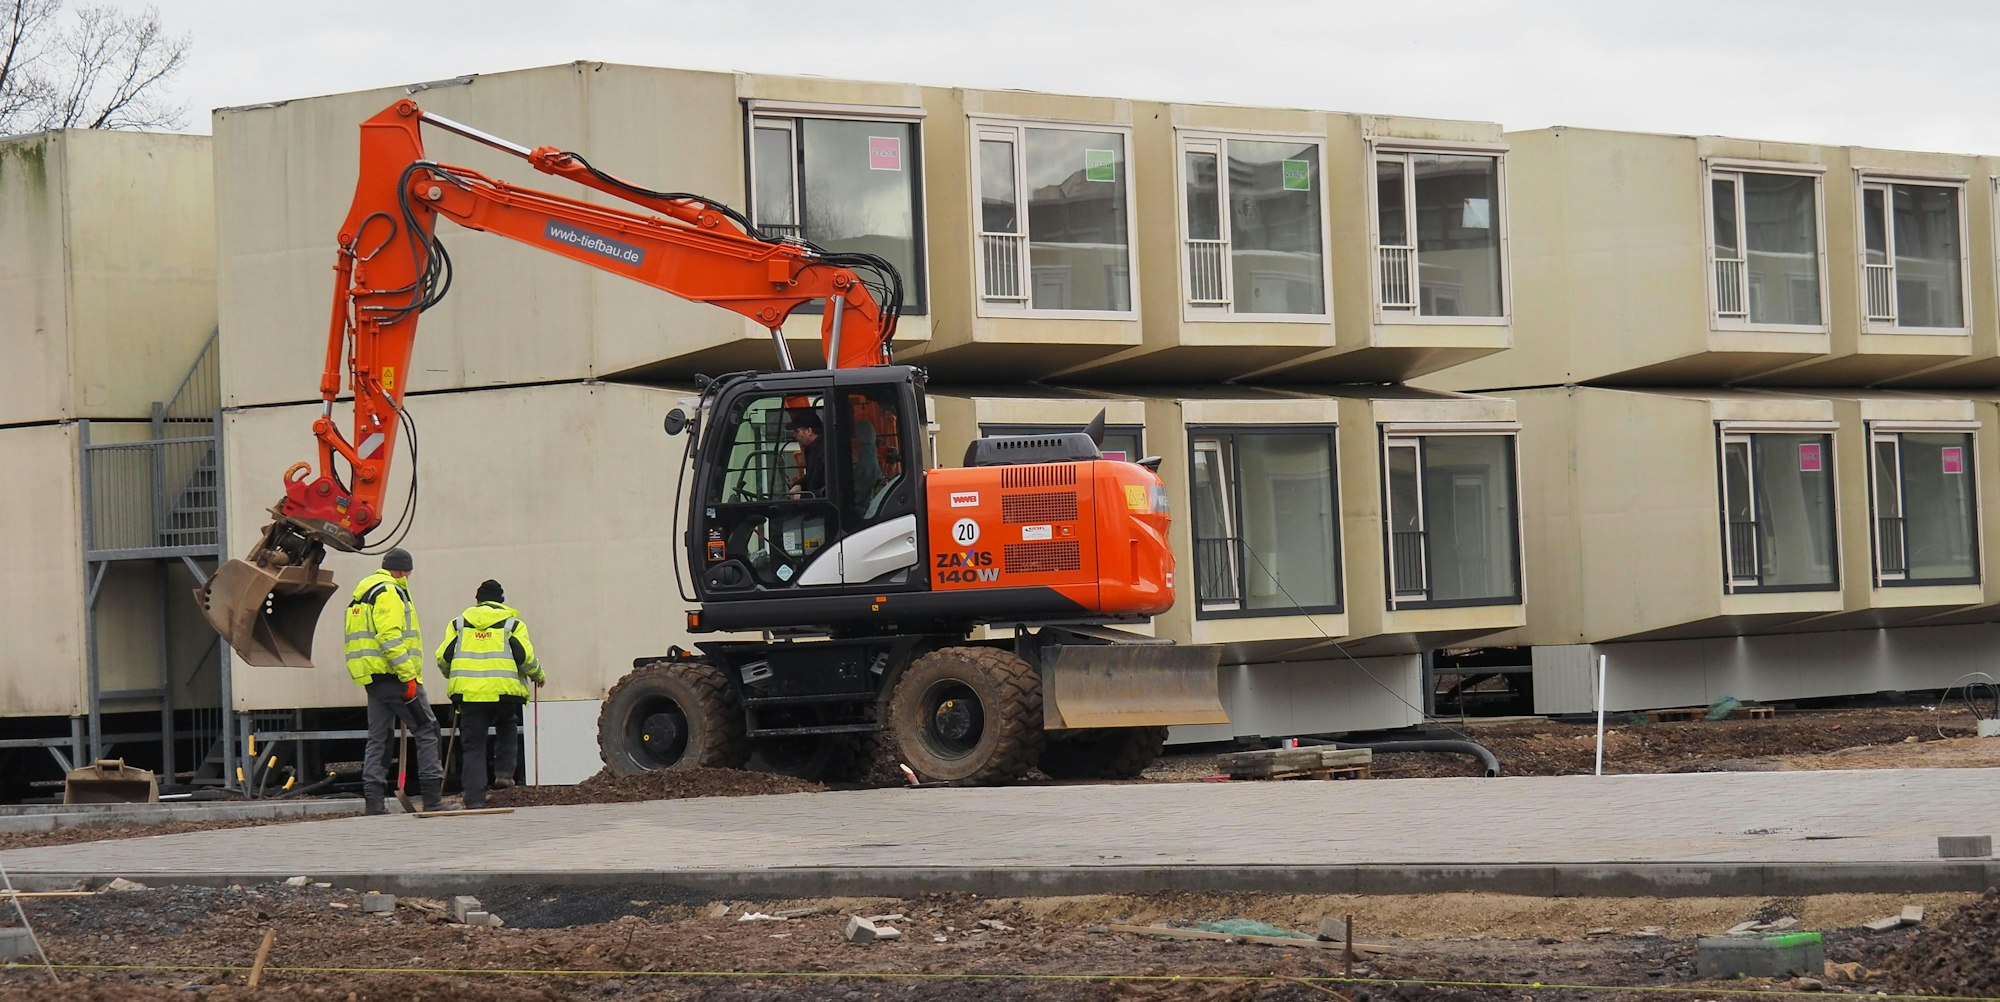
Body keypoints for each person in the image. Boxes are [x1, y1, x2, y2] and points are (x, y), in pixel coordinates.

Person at [344, 548, 451, 815]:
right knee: (427, 729)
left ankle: (374, 802)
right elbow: (389, 638)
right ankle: (432, 799)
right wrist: (409, 676)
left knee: (378, 737)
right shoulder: (389, 592)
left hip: (374, 678)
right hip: (396, 677)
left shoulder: (362, 594)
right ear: (403, 570)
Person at [434, 579, 544, 810]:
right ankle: (504, 776)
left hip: (470, 695)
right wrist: (538, 675)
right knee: (507, 725)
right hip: (504, 692)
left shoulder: (459, 624)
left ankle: (474, 799)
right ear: (502, 601)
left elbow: (444, 657)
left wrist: (453, 675)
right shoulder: (513, 625)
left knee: (473, 744)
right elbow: (524, 658)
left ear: (477, 600)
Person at [786, 409, 826, 499]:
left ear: (809, 431)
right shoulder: (812, 450)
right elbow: (812, 478)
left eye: (796, 431)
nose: (794, 436)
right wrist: (799, 485)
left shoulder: (826, 452)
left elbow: (829, 488)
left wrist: (803, 497)